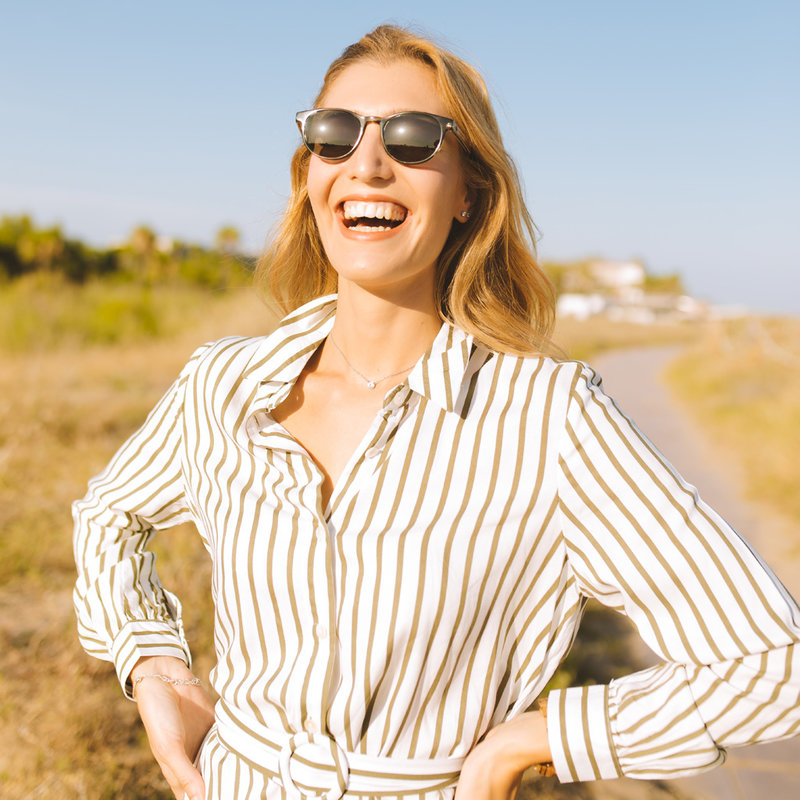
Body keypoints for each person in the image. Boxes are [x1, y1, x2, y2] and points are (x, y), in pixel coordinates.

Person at [73, 24, 800, 800]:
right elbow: (107, 518)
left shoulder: (548, 420)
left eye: (416, 139)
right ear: (310, 173)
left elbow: (772, 665)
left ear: (468, 193)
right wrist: (155, 665)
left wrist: (536, 739)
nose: (369, 164)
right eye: (335, 134)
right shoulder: (224, 385)